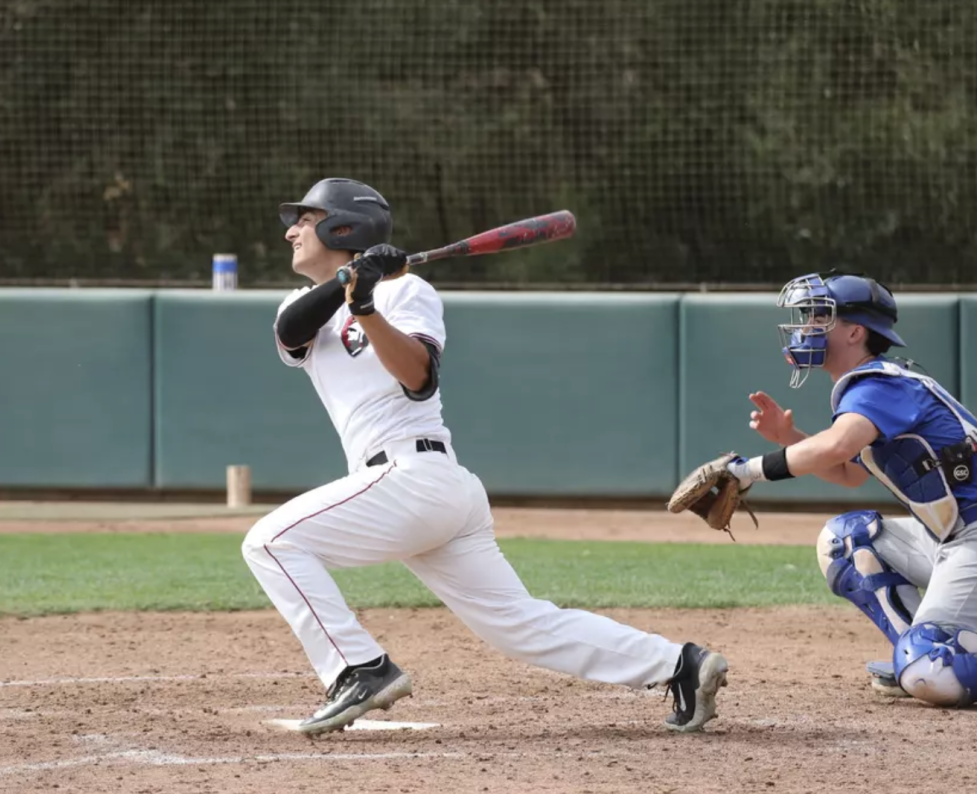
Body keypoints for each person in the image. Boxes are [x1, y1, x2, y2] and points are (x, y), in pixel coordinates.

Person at [240, 177, 729, 736]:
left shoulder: (408, 292)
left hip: (414, 475)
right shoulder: (300, 305)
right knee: (517, 625)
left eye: (304, 219)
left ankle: (358, 669)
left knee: (272, 542)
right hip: (411, 489)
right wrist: (354, 282)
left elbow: (418, 379)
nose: (290, 232)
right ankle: (679, 664)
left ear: (341, 226)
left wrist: (370, 306)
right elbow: (291, 329)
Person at [712, 271, 977, 706]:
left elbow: (837, 445)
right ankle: (915, 652)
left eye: (820, 318)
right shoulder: (873, 386)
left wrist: (747, 472)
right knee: (845, 542)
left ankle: (926, 659)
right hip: (952, 540)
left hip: (972, 537)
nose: (806, 327)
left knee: (932, 674)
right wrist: (789, 438)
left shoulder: (882, 383)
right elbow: (848, 472)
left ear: (855, 332)